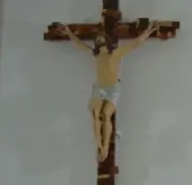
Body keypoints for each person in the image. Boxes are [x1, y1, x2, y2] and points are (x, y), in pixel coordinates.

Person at [57, 21, 161, 162]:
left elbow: (136, 43)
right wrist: (69, 33)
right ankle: (99, 146)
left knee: (106, 114)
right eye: (97, 41)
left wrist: (148, 30)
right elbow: (80, 45)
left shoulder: (117, 53)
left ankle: (105, 146)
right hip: (100, 87)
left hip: (113, 88)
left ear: (107, 41)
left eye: (102, 39)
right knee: (95, 113)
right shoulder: (96, 55)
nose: (99, 42)